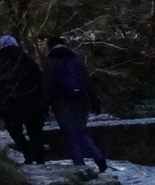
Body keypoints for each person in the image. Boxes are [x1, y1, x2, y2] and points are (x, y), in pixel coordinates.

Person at [43, 40, 109, 173]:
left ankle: (80, 166)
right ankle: (98, 157)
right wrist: (94, 101)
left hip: (61, 104)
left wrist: (44, 105)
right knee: (80, 132)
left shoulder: (50, 63)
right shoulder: (77, 61)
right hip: (81, 102)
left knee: (70, 135)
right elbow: (88, 83)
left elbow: (47, 87)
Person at [0, 35, 48, 163]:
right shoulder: (26, 59)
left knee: (14, 129)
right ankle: (40, 158)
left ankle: (28, 154)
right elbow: (40, 80)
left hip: (10, 103)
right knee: (35, 132)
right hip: (32, 103)